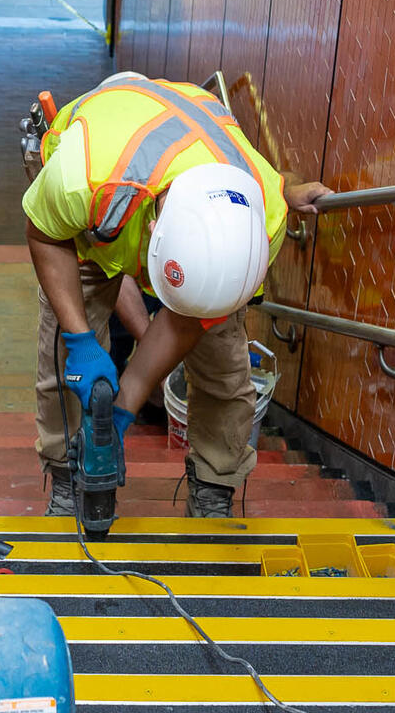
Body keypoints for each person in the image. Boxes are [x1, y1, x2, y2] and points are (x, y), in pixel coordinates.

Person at [21, 73, 328, 523]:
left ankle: (213, 489)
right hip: (87, 220)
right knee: (65, 355)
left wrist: (123, 407)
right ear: (152, 230)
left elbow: (188, 321)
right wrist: (82, 341)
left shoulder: (260, 228)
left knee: (225, 366)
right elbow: (44, 236)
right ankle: (67, 476)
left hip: (175, 188)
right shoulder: (83, 179)